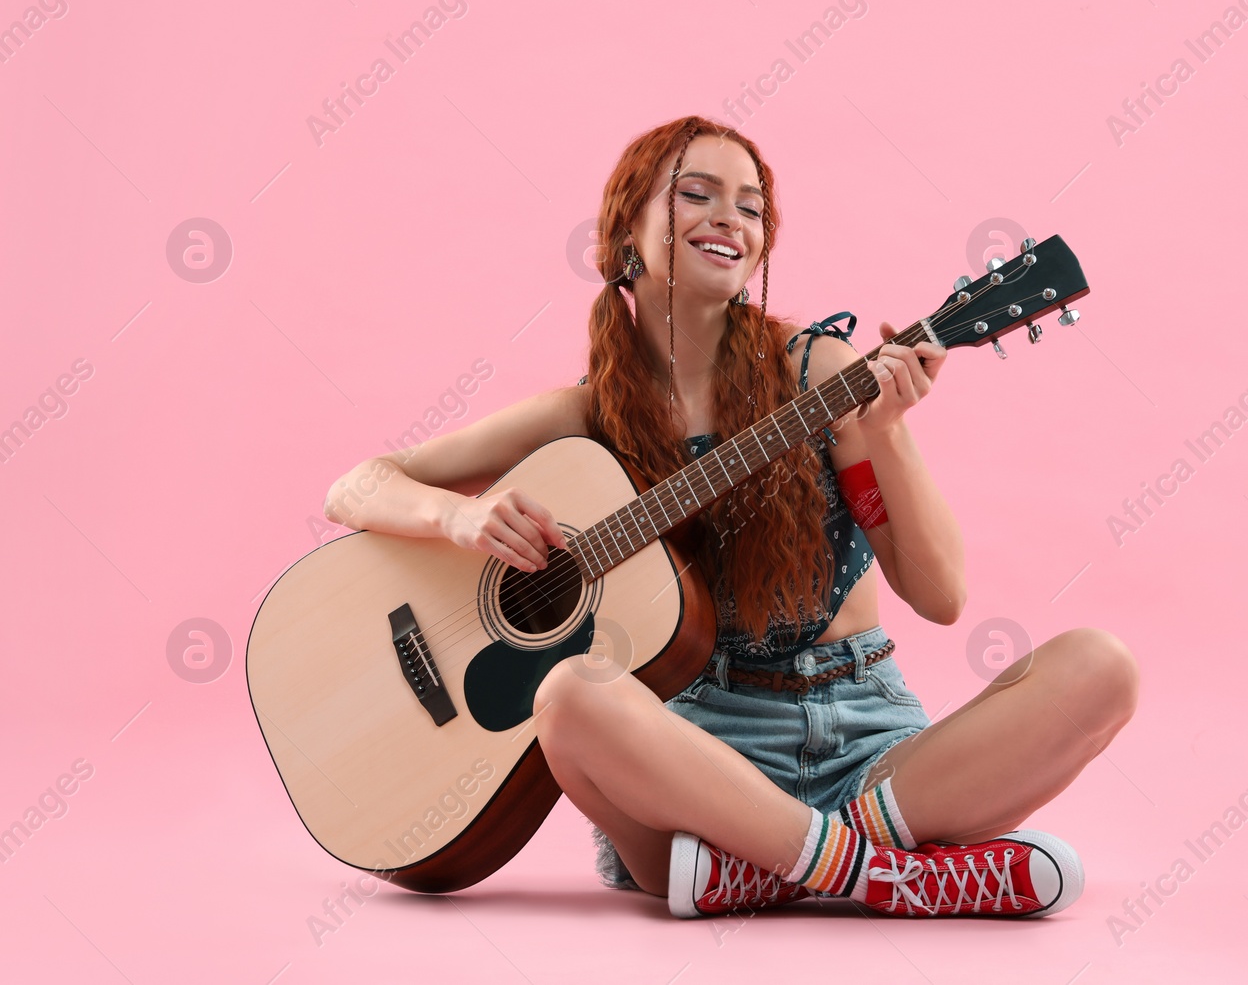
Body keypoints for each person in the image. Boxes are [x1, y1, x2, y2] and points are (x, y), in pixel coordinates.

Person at [323, 115, 1139, 918]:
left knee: (1100, 668)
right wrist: (458, 520)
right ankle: (886, 871)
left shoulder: (820, 371)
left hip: (869, 737)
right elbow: (358, 484)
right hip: (696, 760)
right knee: (569, 694)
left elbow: (941, 595)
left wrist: (888, 436)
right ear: (626, 234)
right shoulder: (585, 415)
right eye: (698, 193)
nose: (731, 218)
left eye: (751, 206)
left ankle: (777, 867)